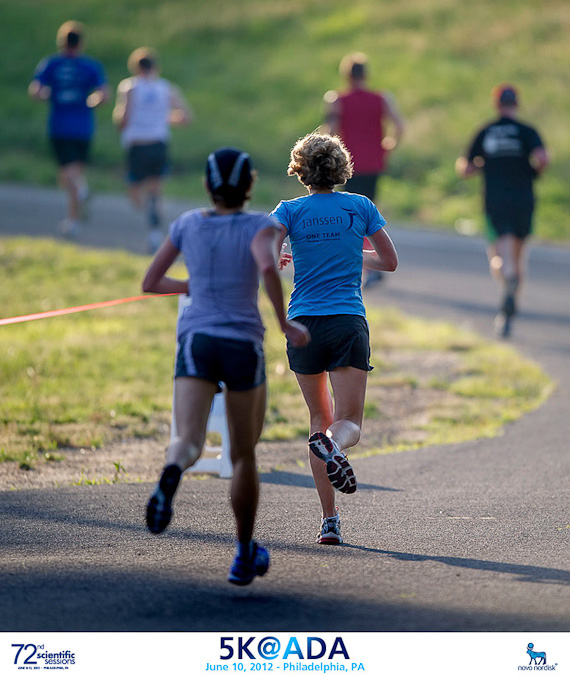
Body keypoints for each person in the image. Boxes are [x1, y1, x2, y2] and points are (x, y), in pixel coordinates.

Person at [142, 147, 310, 585]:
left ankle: (171, 474)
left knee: (188, 440)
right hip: (241, 343)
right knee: (243, 454)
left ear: (207, 185)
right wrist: (284, 323)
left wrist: (193, 285)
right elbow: (268, 268)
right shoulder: (259, 226)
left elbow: (151, 282)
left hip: (196, 341)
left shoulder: (187, 224)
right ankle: (243, 552)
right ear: (250, 185)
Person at [270, 133, 398, 545]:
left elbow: (264, 254)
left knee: (317, 421)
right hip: (346, 320)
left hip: (303, 323)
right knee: (348, 424)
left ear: (300, 170)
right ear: (341, 168)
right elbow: (389, 262)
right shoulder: (360, 206)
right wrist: (351, 251)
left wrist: (284, 256)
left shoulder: (288, 210)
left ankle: (329, 520)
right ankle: (335, 447)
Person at [456, 84, 549, 337]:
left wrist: (480, 166)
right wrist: (535, 171)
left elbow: (465, 167)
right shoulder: (527, 131)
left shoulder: (486, 131)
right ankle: (510, 302)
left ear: (496, 104)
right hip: (524, 200)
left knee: (499, 255)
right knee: (518, 254)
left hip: (496, 200)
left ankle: (507, 278)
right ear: (516, 104)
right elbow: (543, 158)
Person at [323, 52, 404, 288]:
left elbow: (331, 131)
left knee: (351, 214)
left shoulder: (336, 99)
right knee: (368, 211)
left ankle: (363, 264)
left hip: (348, 163)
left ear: (346, 76)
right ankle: (371, 264)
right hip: (374, 161)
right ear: (365, 75)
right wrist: (388, 146)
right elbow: (399, 125)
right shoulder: (381, 98)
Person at [29, 21, 109, 238]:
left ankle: (77, 208)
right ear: (81, 43)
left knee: (68, 175)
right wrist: (89, 102)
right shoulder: (90, 65)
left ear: (61, 42)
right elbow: (103, 95)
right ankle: (75, 215)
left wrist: (52, 96)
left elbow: (36, 91)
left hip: (60, 126)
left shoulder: (51, 63)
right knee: (71, 175)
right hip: (84, 127)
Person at [113, 47, 192, 254]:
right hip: (158, 143)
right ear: (155, 67)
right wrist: (162, 118)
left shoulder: (129, 87)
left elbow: (123, 118)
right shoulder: (166, 88)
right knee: (155, 190)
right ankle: (155, 231)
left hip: (137, 144)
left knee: (134, 189)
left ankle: (149, 222)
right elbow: (185, 117)